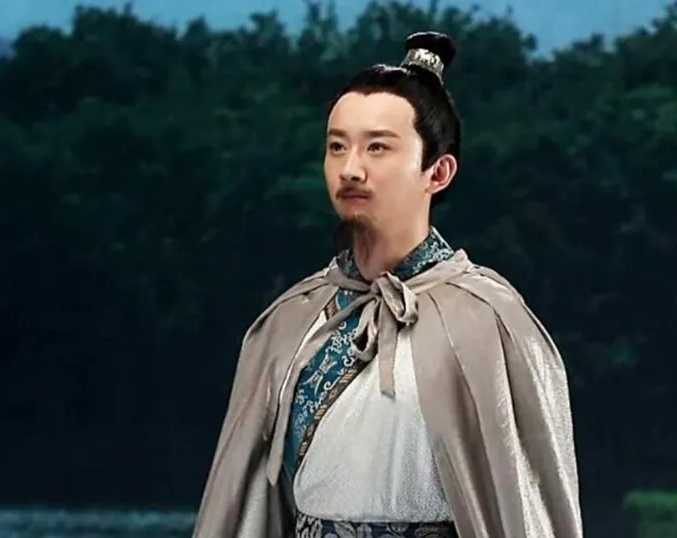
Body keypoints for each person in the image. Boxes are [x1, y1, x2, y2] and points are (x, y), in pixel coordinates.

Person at [190, 31, 583, 538]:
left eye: (377, 147)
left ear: (438, 172)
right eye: (337, 147)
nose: (351, 169)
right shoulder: (291, 323)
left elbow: (525, 509)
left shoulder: (489, 322)